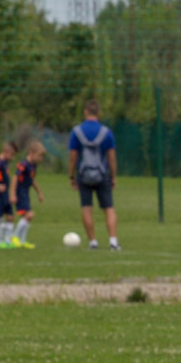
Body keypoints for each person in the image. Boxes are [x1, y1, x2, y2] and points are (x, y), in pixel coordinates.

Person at [68, 100, 120, 251]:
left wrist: (71, 176)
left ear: (85, 112)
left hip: (83, 174)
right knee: (109, 208)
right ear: (99, 113)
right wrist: (113, 176)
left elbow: (73, 156)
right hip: (102, 174)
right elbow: (111, 157)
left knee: (86, 208)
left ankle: (93, 242)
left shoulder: (76, 132)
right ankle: (113, 241)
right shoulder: (106, 132)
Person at [13, 141, 43, 249]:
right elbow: (15, 178)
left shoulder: (33, 165)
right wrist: (12, 194)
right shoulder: (24, 164)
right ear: (31, 152)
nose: (41, 159)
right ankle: (15, 237)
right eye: (39, 156)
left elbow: (32, 180)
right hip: (20, 192)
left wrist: (39, 192)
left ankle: (22, 240)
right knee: (29, 215)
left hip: (25, 192)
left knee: (28, 217)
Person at [0, 143, 14, 249]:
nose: (13, 158)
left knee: (10, 216)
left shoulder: (4, 163)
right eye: (11, 155)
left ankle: (7, 240)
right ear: (6, 152)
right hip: (0, 194)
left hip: (6, 194)